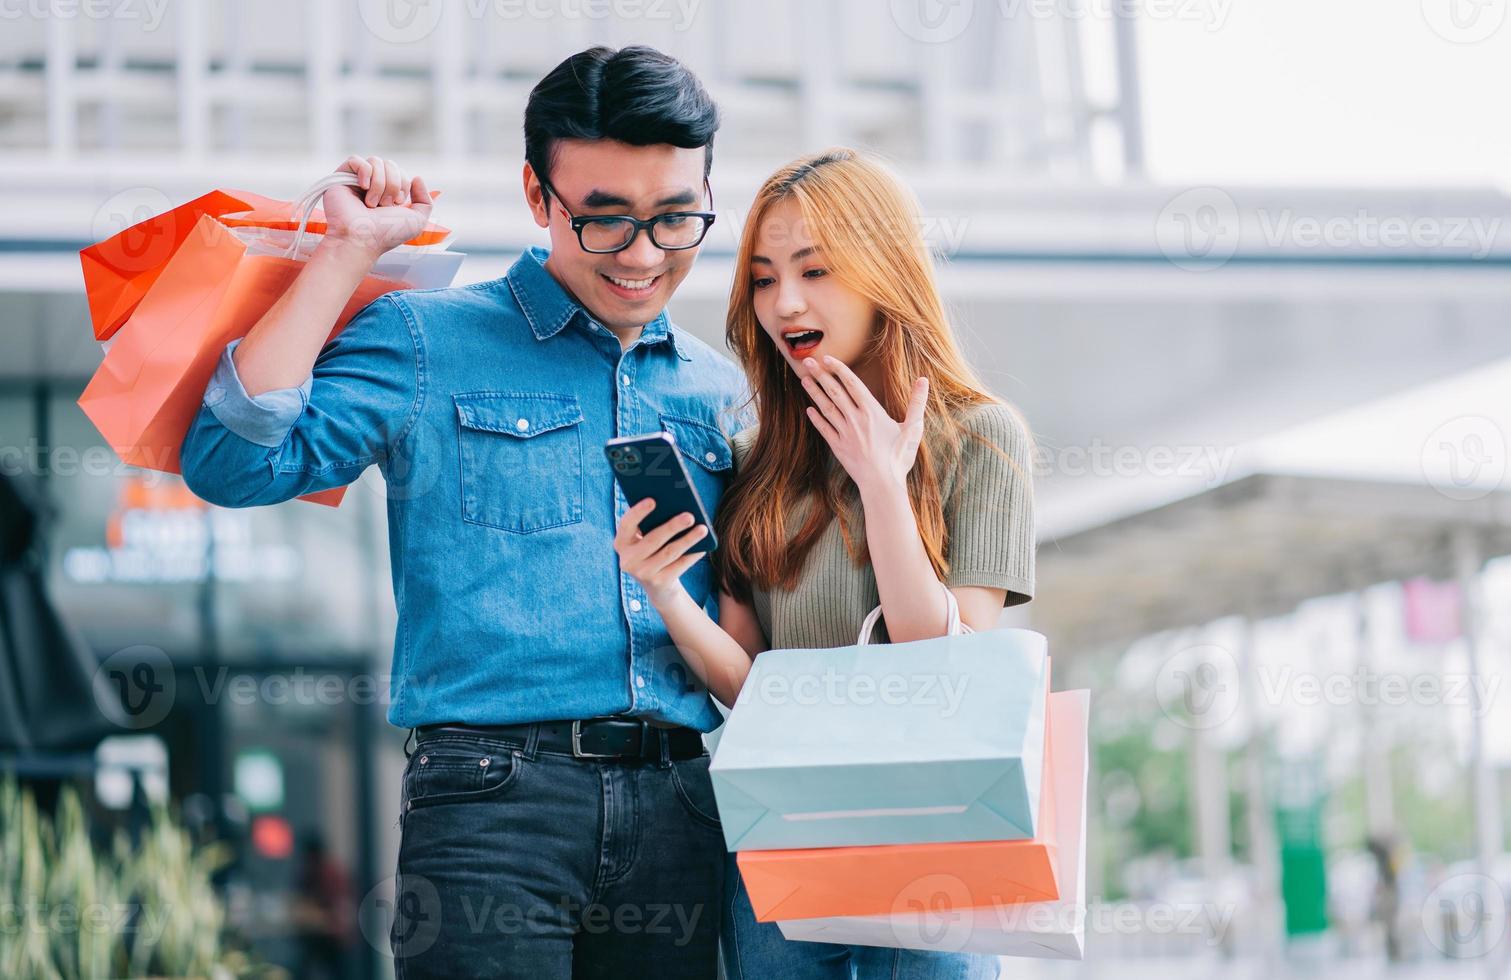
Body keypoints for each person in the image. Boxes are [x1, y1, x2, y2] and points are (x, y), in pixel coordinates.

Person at [181, 45, 749, 979]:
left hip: (682, 808)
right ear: (537, 195)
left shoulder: (718, 391)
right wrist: (348, 253)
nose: (643, 256)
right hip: (492, 805)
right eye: (603, 220)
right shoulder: (427, 340)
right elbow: (234, 463)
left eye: (676, 219)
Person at [614, 147, 1036, 979]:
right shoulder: (756, 457)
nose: (785, 302)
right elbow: (748, 687)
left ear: (884, 271)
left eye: (814, 270)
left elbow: (942, 660)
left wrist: (883, 482)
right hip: (784, 837)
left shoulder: (982, 438)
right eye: (764, 278)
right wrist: (665, 592)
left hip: (934, 835)